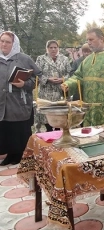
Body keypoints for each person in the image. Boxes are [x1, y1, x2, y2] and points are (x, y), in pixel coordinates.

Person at [61, 28, 104, 130]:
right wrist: (68, 84)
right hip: (90, 108)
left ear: (101, 39)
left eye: (91, 40)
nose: (89, 43)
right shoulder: (86, 60)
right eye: (87, 40)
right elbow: (78, 76)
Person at [0, 31, 41, 165]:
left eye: (7, 42)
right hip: (2, 102)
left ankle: (20, 155)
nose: (4, 44)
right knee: (5, 128)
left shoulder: (24, 59)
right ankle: (10, 155)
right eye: (2, 41)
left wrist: (25, 84)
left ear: (14, 44)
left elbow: (37, 77)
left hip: (19, 101)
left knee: (18, 129)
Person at [35, 40, 72, 132]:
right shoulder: (41, 59)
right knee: (48, 118)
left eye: (55, 47)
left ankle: (59, 134)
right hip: (46, 93)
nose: (53, 49)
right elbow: (37, 74)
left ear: (58, 48)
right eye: (50, 47)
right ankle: (49, 133)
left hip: (60, 92)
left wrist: (63, 79)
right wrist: (47, 79)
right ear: (47, 48)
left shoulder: (64, 59)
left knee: (59, 117)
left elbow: (70, 73)